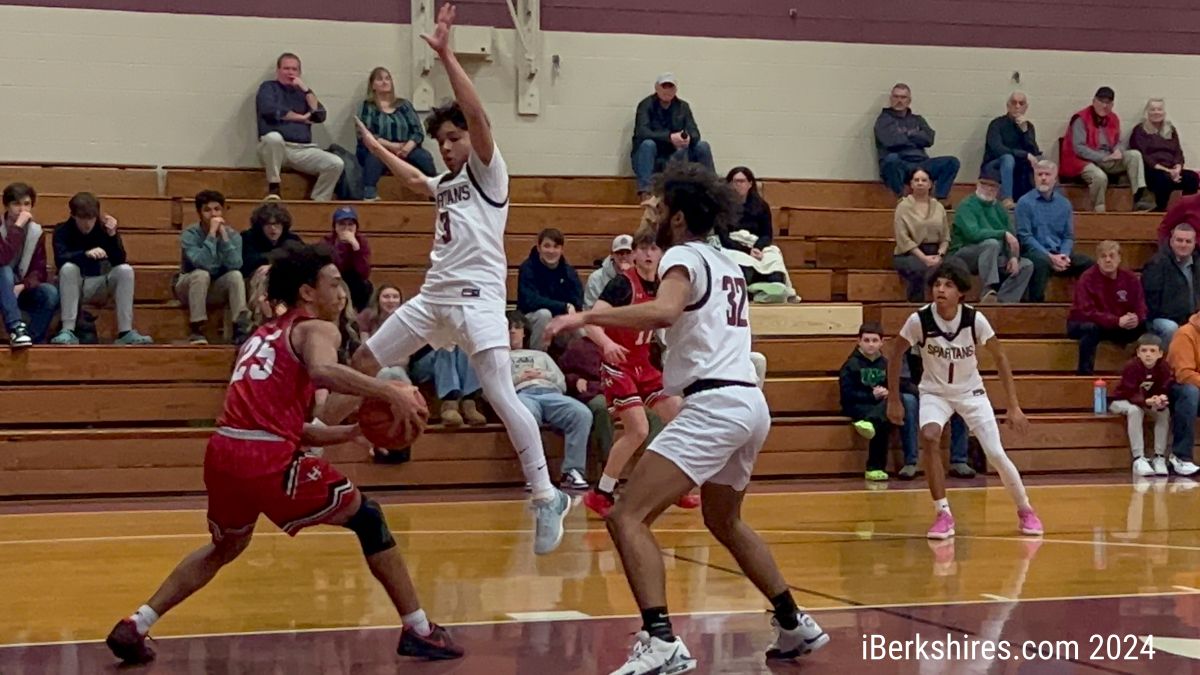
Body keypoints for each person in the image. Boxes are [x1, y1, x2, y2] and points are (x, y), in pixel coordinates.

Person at [103, 243, 462, 665]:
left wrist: (349, 432)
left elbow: (285, 427)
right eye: (334, 284)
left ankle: (137, 623)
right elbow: (323, 372)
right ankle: (419, 629)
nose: (342, 293)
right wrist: (389, 391)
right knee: (368, 518)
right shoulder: (316, 329)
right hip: (264, 459)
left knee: (225, 547)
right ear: (307, 292)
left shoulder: (262, 336)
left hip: (225, 450)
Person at [544, 163, 830, 674]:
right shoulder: (726, 262)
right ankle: (793, 621)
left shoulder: (681, 255)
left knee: (627, 517)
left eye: (657, 207)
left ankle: (661, 642)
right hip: (749, 402)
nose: (651, 215)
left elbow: (664, 311)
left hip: (715, 405)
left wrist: (587, 315)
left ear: (677, 217)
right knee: (724, 519)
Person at [342, 3, 571, 555]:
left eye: (454, 137)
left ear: (470, 138)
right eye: (441, 140)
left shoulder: (489, 173)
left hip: (478, 300)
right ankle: (303, 446)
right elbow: (416, 180)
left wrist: (446, 55)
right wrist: (375, 149)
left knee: (499, 393)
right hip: (433, 297)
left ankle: (546, 496)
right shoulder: (446, 183)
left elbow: (479, 116)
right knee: (360, 364)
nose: (447, 146)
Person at [885, 260, 1043, 540]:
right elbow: (895, 354)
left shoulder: (974, 320)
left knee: (995, 453)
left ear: (961, 293)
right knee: (930, 436)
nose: (940, 290)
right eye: (937, 284)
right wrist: (894, 399)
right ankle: (943, 513)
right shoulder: (919, 320)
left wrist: (1013, 405)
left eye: (948, 285)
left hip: (971, 392)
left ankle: (1025, 509)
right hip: (934, 392)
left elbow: (1000, 357)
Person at [580, 226, 690, 517]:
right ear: (634, 255)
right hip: (619, 365)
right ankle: (602, 492)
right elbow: (591, 321)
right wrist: (606, 344)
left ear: (662, 253)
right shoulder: (621, 284)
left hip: (645, 363)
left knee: (679, 417)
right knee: (638, 430)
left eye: (654, 248)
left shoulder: (665, 285)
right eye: (643, 249)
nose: (648, 254)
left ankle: (675, 486)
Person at [506, 311, 593, 490]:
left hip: (552, 394)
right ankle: (535, 473)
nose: (512, 331)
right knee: (526, 416)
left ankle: (572, 471)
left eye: (517, 328)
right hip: (522, 394)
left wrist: (543, 375)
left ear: (524, 332)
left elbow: (561, 382)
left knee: (581, 413)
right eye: (508, 328)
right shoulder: (500, 358)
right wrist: (520, 378)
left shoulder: (541, 356)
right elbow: (495, 386)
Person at [51, 193, 152, 345]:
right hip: (73, 286)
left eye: (91, 219)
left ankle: (125, 331)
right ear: (73, 216)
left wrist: (112, 235)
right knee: (68, 268)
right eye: (82, 219)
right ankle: (67, 330)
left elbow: (119, 260)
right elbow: (60, 259)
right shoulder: (62, 230)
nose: (87, 224)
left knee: (125, 270)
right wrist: (85, 254)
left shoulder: (104, 230)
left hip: (100, 284)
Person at [255, 53, 344, 201]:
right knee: (273, 138)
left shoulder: (304, 94)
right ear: (278, 70)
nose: (290, 72)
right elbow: (269, 110)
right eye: (286, 68)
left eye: (294, 69)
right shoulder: (268, 87)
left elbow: (320, 115)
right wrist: (300, 118)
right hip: (276, 149)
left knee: (336, 164)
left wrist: (306, 90)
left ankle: (319, 201)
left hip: (302, 149)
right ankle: (274, 187)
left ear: (299, 72)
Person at [1059, 86, 1154, 212]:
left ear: (1112, 105)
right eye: (1101, 101)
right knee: (1099, 177)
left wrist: (1118, 150)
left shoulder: (1113, 118)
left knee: (1134, 155)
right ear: (1094, 101)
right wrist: (1103, 157)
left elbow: (1118, 141)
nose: (1104, 105)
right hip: (1082, 161)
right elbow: (1079, 148)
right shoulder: (1080, 119)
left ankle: (1139, 197)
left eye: (1108, 102)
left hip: (1108, 158)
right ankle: (1099, 211)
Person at [1016, 160, 1093, 303]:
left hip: (1059, 252)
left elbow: (1068, 236)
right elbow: (1025, 237)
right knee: (1041, 262)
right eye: (1040, 174)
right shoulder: (1024, 203)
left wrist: (1064, 255)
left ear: (1055, 179)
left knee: (1087, 263)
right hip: (1034, 252)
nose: (1043, 178)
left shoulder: (1064, 204)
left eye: (1047, 174)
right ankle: (1035, 305)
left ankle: (1084, 303)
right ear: (1034, 178)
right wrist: (1050, 256)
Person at [948, 172, 1032, 303]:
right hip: (964, 254)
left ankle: (1003, 302)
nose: (988, 189)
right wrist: (1002, 233)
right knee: (991, 243)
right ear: (977, 184)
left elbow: (1011, 236)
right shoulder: (966, 205)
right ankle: (987, 289)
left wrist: (1013, 257)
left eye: (993, 186)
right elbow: (973, 234)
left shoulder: (999, 208)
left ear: (998, 189)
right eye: (984, 185)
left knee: (1026, 265)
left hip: (992, 256)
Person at [176, 190, 247, 345]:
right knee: (201, 274)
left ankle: (240, 327)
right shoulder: (190, 234)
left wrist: (225, 239)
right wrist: (212, 235)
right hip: (189, 286)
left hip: (214, 287)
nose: (213, 214)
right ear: (199, 213)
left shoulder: (233, 235)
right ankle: (197, 328)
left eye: (217, 209)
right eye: (207, 210)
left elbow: (236, 264)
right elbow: (204, 263)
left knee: (235, 276)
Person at [358, 66, 437, 200]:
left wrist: (407, 147)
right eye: (380, 79)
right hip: (380, 148)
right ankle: (369, 195)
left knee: (425, 157)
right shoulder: (368, 106)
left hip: (406, 147)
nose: (385, 82)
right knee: (374, 158)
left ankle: (436, 193)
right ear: (373, 85)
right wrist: (391, 146)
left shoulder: (404, 105)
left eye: (387, 78)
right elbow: (366, 134)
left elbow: (417, 131)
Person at [1067, 241, 1147, 375]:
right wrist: (1116, 321)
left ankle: (1138, 373)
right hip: (1085, 322)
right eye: (1103, 256)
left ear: (1119, 258)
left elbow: (1140, 305)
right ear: (1098, 260)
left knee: (1146, 325)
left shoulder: (1130, 278)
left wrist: (1136, 318)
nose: (1108, 260)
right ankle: (1084, 374)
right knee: (1091, 329)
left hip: (1117, 323)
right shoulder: (1087, 278)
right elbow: (1086, 312)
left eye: (1112, 256)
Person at [631, 73, 715, 197]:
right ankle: (646, 191)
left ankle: (713, 189)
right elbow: (642, 132)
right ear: (656, 88)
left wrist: (686, 138)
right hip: (653, 154)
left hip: (677, 153)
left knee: (703, 146)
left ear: (675, 90)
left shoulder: (683, 107)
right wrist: (669, 138)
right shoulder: (645, 105)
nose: (667, 91)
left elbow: (695, 133)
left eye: (670, 87)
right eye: (664, 87)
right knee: (648, 144)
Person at [723, 167, 799, 303]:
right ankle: (749, 292)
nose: (738, 185)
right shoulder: (722, 207)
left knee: (773, 256)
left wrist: (758, 247)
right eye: (734, 181)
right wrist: (747, 251)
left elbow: (767, 234)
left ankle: (775, 289)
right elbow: (723, 236)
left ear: (750, 184)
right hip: (734, 244)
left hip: (756, 244)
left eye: (741, 181)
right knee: (739, 259)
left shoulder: (761, 206)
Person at [874, 83, 960, 202]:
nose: (899, 101)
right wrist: (915, 136)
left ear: (909, 100)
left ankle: (939, 199)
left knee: (951, 162)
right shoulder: (883, 120)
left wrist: (906, 135)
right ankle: (901, 197)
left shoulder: (917, 119)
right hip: (900, 164)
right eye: (896, 97)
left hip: (921, 163)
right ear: (891, 99)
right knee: (891, 159)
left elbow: (929, 139)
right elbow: (890, 141)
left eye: (903, 97)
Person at [839, 323, 900, 481]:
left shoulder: (886, 364)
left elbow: (894, 386)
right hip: (857, 405)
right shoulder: (850, 365)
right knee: (882, 421)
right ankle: (874, 467)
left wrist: (887, 392)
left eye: (874, 340)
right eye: (866, 340)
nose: (871, 344)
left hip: (877, 406)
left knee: (885, 416)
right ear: (859, 341)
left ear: (882, 342)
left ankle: (870, 421)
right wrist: (871, 396)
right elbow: (847, 395)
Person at [0, 182, 57, 346]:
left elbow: (39, 270)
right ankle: (16, 327)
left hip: (19, 287)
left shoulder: (35, 232)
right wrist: (17, 227)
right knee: (5, 270)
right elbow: (2, 258)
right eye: (16, 204)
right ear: (7, 206)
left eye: (26, 204)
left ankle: (31, 338)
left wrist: (23, 286)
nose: (22, 209)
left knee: (50, 293)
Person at [1110, 334, 1172, 477]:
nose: (1148, 354)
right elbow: (1129, 392)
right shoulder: (1132, 366)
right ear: (1138, 353)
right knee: (1135, 411)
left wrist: (1161, 398)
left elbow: (1165, 387)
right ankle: (1138, 458)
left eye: (1152, 351)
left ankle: (1159, 456)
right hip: (1121, 401)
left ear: (1160, 353)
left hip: (1145, 402)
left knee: (1163, 412)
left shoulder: (1163, 367)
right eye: (1144, 351)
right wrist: (1146, 402)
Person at [516, 227, 584, 350]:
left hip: (559, 320)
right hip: (530, 320)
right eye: (547, 246)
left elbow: (577, 302)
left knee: (580, 327)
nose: (551, 251)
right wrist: (563, 306)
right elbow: (530, 301)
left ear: (561, 249)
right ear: (539, 248)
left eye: (556, 247)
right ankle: (537, 357)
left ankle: (579, 360)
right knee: (544, 315)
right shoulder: (527, 268)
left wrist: (565, 315)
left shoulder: (569, 272)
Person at [1129, 98, 1199, 212]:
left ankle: (1187, 211)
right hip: (1152, 170)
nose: (1156, 112)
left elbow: (1178, 152)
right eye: (1153, 109)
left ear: (1164, 112)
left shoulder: (1170, 130)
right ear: (1147, 112)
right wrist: (1167, 171)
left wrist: (1177, 168)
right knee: (1163, 179)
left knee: (1192, 178)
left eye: (1159, 109)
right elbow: (1144, 156)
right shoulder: (1140, 131)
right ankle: (1159, 210)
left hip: (1172, 170)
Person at [892, 168, 950, 302]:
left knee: (955, 266)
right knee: (919, 269)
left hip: (936, 251)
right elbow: (903, 238)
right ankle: (917, 306)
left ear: (930, 184)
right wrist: (924, 258)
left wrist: (940, 255)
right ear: (911, 184)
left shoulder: (939, 207)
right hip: (910, 253)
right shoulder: (903, 206)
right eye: (916, 180)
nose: (920, 183)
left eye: (924, 180)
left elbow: (945, 237)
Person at [1141, 223, 1200, 346]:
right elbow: (1151, 304)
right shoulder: (1156, 264)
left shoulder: (1198, 264)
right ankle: (1171, 358)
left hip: (1192, 317)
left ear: (1194, 243)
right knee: (1171, 328)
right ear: (1171, 242)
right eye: (1179, 240)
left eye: (1188, 241)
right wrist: (1185, 320)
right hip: (1162, 319)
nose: (1183, 245)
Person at [982, 91, 1042, 208]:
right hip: (996, 163)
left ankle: (1043, 199)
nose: (1017, 106)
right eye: (1014, 103)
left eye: (1021, 103)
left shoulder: (1028, 126)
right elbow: (998, 149)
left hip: (1020, 165)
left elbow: (1034, 152)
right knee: (1008, 158)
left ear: (1026, 107)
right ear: (1008, 106)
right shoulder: (996, 124)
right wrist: (1024, 155)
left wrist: (1025, 132)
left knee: (1042, 160)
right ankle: (1007, 199)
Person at [1165, 310, 1200, 477]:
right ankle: (1180, 456)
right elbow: (1184, 374)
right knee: (1190, 392)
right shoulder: (1185, 334)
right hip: (1177, 390)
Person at [323, 206, 373, 312]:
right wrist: (340, 246)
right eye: (342, 224)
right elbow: (333, 268)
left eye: (350, 224)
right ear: (335, 226)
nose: (346, 228)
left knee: (365, 286)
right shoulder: (327, 242)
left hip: (354, 283)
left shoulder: (361, 242)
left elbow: (364, 273)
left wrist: (356, 248)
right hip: (334, 279)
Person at [241, 202, 302, 279]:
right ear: (260, 226)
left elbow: (304, 259)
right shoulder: (248, 237)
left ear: (283, 225)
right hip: (254, 278)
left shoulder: (292, 238)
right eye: (268, 224)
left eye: (277, 224)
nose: (273, 228)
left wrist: (274, 266)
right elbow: (247, 263)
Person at [584, 234, 634, 310]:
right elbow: (589, 308)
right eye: (620, 253)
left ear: (635, 254)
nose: (624, 256)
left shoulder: (642, 275)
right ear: (612, 255)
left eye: (628, 252)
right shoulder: (596, 278)